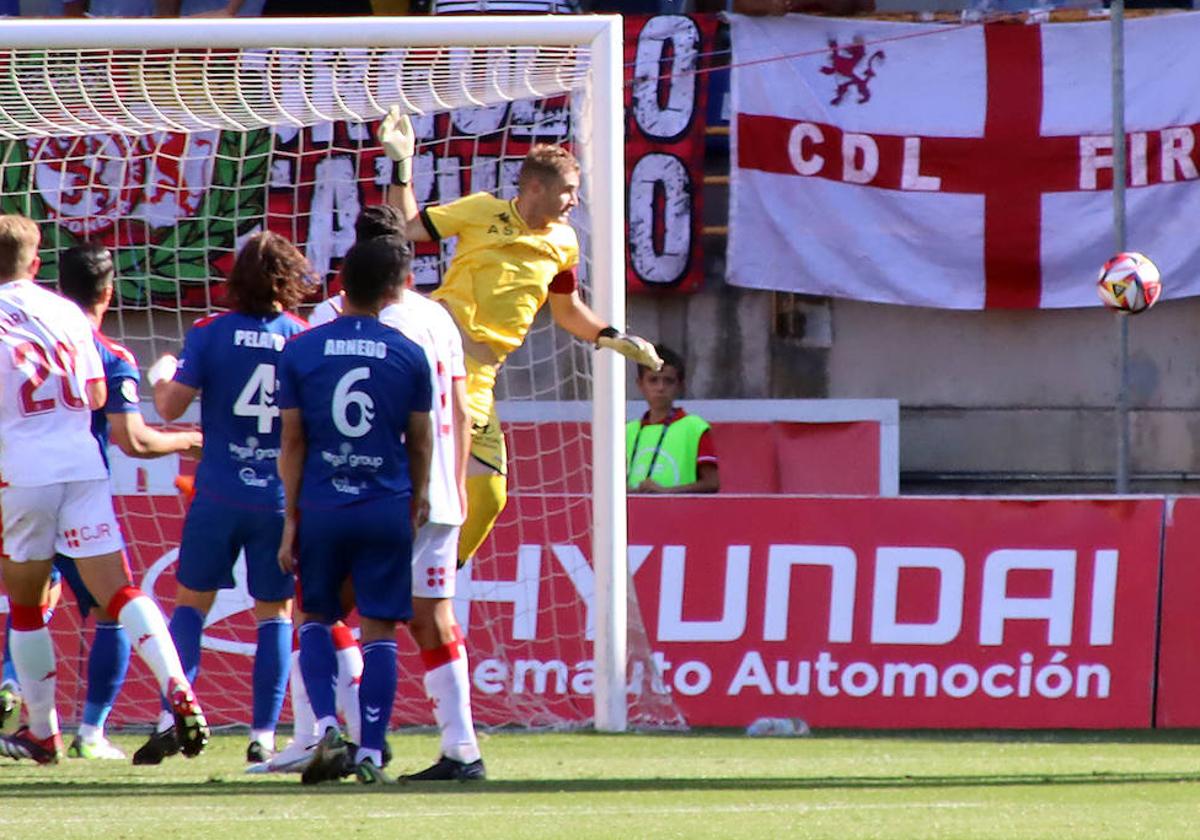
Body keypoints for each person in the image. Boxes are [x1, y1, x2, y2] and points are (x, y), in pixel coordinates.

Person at [379, 107, 662, 572]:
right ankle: (387, 567)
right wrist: (401, 164)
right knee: (415, 467)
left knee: (489, 494)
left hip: (481, 376)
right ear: (535, 188)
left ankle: (433, 574)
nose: (574, 200)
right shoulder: (480, 210)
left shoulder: (565, 242)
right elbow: (404, 227)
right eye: (568, 190)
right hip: (439, 355)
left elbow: (567, 310)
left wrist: (612, 336)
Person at [0, 214, 208, 765]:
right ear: (36, 264)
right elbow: (95, 395)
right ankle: (177, 688)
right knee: (119, 590)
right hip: (83, 464)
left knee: (25, 604)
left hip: (22, 471)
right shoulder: (66, 312)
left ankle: (42, 733)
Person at [299, 206, 482, 781]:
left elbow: (309, 418)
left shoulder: (330, 317)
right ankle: (461, 751)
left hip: (364, 489)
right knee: (434, 620)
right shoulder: (438, 320)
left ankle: (351, 735)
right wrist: (455, 488)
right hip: (438, 494)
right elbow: (459, 409)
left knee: (328, 609)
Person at [142, 231, 311, 766]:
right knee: (275, 616)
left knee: (191, 605)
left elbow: (169, 408)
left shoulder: (210, 333)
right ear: (289, 279)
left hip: (217, 492)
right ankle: (262, 734)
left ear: (235, 278)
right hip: (277, 500)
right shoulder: (303, 338)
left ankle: (174, 715)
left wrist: (160, 374)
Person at [276, 234, 433, 785]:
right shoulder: (410, 354)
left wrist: (291, 519)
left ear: (338, 286)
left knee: (315, 618)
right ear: (394, 292)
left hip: (322, 504)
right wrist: (417, 498)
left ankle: (324, 727)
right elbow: (419, 440)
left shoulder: (300, 349)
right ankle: (369, 751)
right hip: (384, 503)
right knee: (380, 629)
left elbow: (292, 442)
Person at [626, 344, 719, 494]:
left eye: (668, 381)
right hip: (635, 514)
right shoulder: (628, 431)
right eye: (653, 380)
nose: (660, 387)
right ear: (640, 384)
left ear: (680, 386)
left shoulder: (694, 427)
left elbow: (712, 483)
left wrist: (667, 492)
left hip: (681, 514)